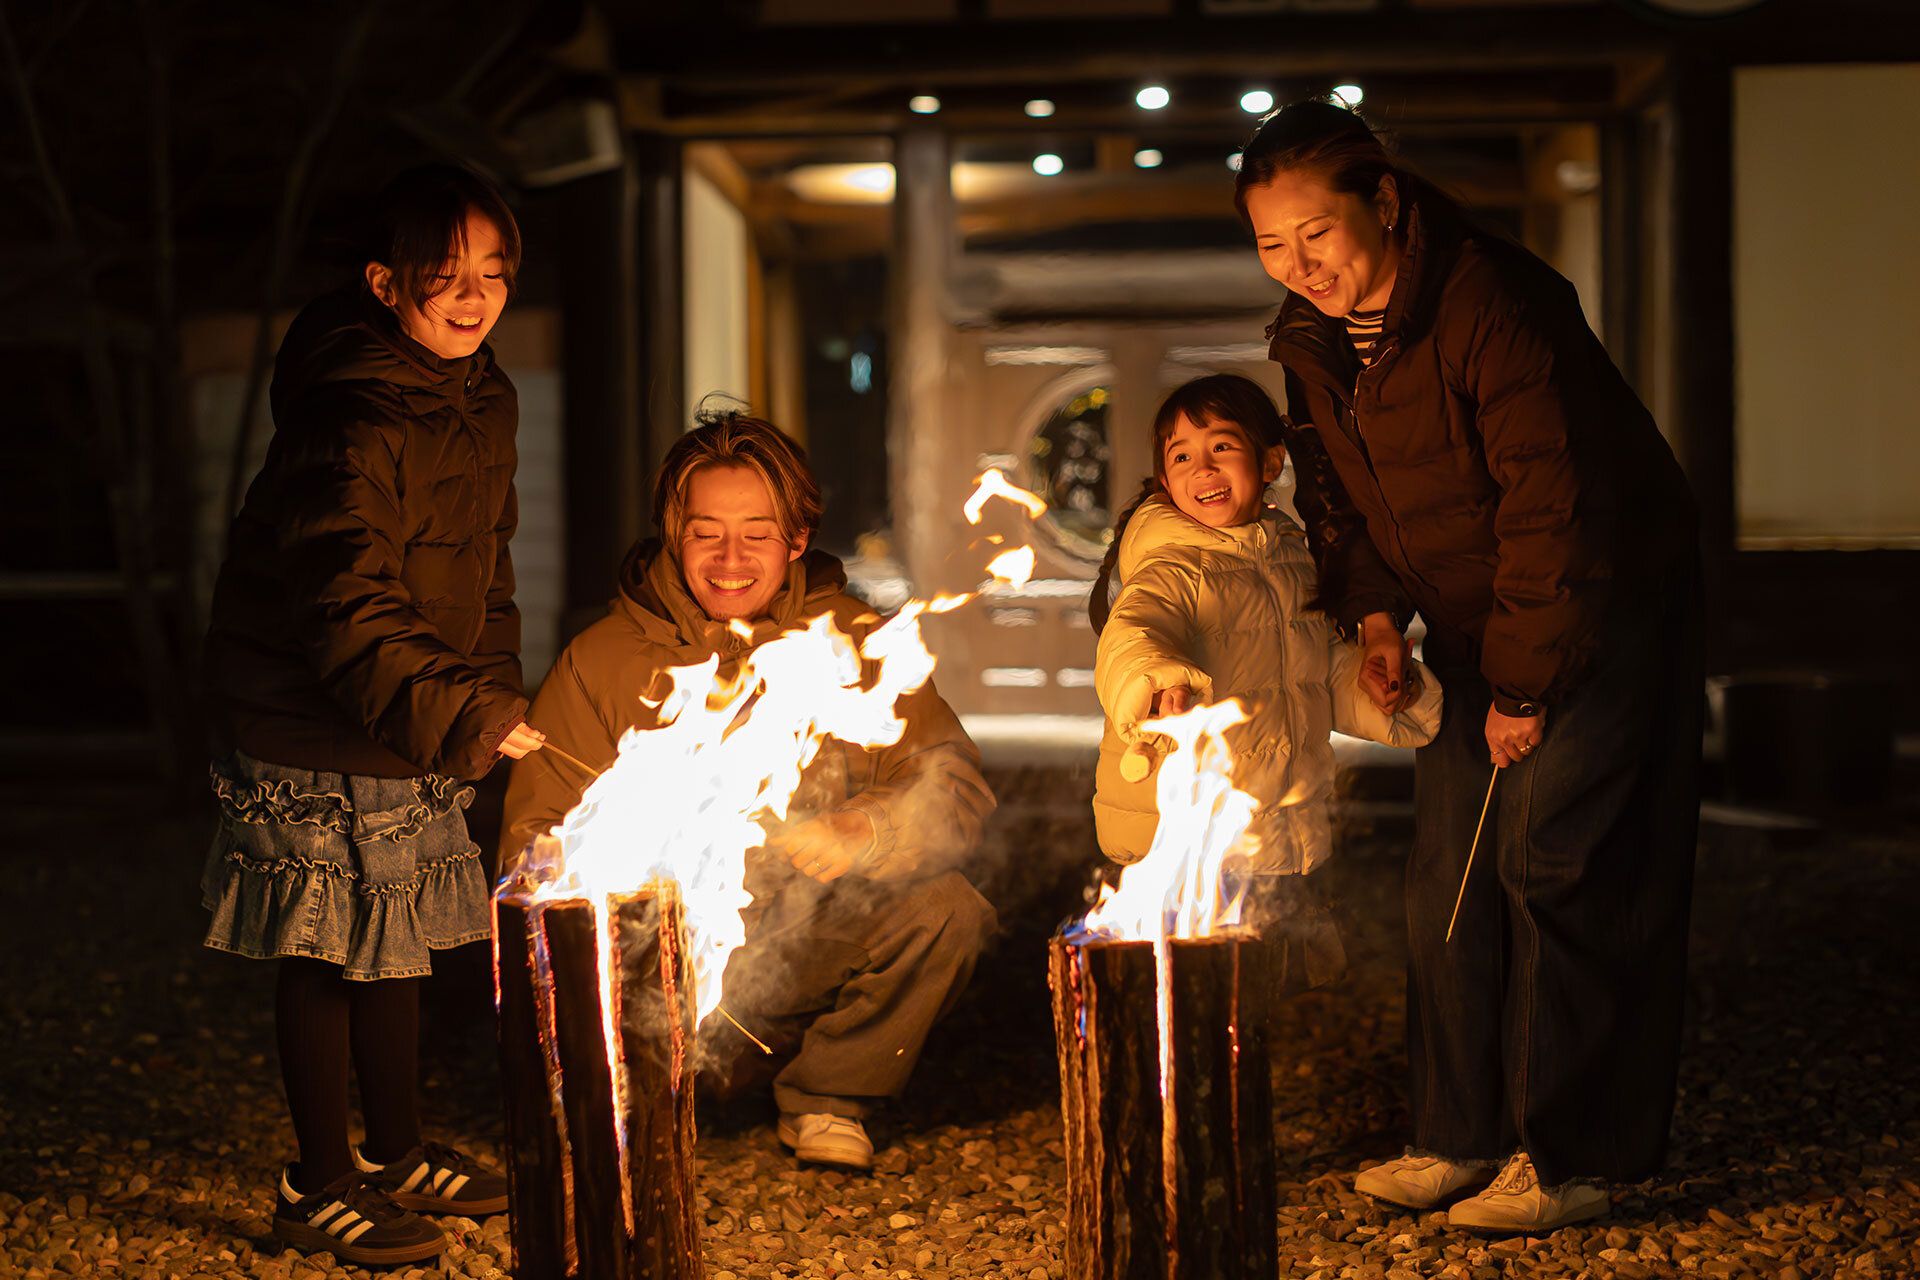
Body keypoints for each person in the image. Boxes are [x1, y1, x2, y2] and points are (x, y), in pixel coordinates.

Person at [1237, 100, 1701, 1232]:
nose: (1302, 267)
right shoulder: (1309, 336)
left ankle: (1574, 1152)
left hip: (1593, 603)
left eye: (1319, 234)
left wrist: (1525, 687)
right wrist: (1380, 619)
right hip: (1466, 616)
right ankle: (1458, 1133)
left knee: (1553, 862)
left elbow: (1558, 508)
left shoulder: (1495, 302)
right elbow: (1339, 499)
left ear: (1384, 203)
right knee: (1447, 873)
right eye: (1271, 245)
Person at [501, 411, 997, 1172]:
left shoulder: (858, 645)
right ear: (675, 534)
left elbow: (956, 787)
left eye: (757, 532)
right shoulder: (600, 662)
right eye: (707, 532)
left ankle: (829, 1096)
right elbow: (532, 834)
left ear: (796, 539)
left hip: (794, 964)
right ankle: (637, 1099)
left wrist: (866, 830)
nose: (731, 557)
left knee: (949, 910)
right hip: (652, 981)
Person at [201, 166, 542, 1265]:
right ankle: (316, 1182)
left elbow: (484, 567)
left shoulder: (482, 393)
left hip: (407, 707)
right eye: (445, 274)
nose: (474, 293)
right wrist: (463, 707)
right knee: (327, 944)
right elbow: (344, 593)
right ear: (387, 283)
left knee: (395, 941)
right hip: (306, 712)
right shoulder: (350, 411)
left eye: (494, 271)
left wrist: (489, 696)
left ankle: (395, 1154)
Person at [1090, 374, 1441, 980]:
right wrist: (1154, 681)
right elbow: (1133, 633)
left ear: (1271, 460)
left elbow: (1315, 673)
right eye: (1182, 457)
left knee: (1250, 998)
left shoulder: (1292, 560)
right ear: (1165, 480)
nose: (1203, 468)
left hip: (1273, 823)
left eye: (1221, 447)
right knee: (1188, 992)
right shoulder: (1172, 567)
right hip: (1187, 831)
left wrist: (1378, 689)